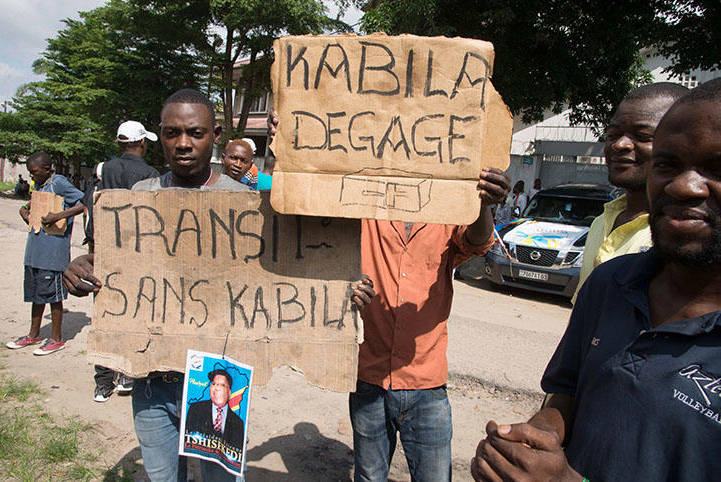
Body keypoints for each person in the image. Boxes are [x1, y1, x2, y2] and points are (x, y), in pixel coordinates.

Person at [63, 89, 374, 481]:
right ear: (159, 135)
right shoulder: (138, 199)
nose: (183, 144)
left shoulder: (246, 203)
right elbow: (110, 266)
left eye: (195, 132)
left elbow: (290, 267)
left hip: (219, 381)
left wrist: (341, 289)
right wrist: (80, 268)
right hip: (150, 380)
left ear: (215, 135)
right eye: (172, 133)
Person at [471, 78, 721, 482]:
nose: (683, 185)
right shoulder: (609, 284)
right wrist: (536, 439)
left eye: (717, 168)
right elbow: (568, 390)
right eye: (668, 164)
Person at [265, 109, 505, 481]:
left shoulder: (447, 211)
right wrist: (287, 147)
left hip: (427, 384)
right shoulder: (361, 208)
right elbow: (303, 209)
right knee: (369, 476)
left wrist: (485, 202)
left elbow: (477, 240)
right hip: (368, 377)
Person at [572, 82, 689, 303]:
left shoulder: (686, 235)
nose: (620, 145)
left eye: (643, 136)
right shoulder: (600, 222)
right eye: (613, 135)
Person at [89, 120, 160, 403]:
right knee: (134, 311)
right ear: (142, 143)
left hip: (106, 251)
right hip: (138, 253)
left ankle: (103, 383)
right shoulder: (151, 173)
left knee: (105, 315)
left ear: (119, 144)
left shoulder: (104, 169)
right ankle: (128, 375)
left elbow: (94, 207)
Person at [7, 152, 84, 355]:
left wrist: (59, 215)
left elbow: (83, 204)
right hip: (35, 250)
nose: (31, 176)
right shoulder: (40, 185)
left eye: (34, 172)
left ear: (48, 169)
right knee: (36, 294)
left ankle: (56, 338)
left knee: (53, 294)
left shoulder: (58, 182)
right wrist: (24, 210)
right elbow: (30, 204)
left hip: (53, 252)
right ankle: (33, 335)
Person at [185, 369, 245, 451]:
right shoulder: (195, 409)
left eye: (222, 385)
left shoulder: (238, 422)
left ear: (229, 391)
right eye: (214, 384)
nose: (217, 388)